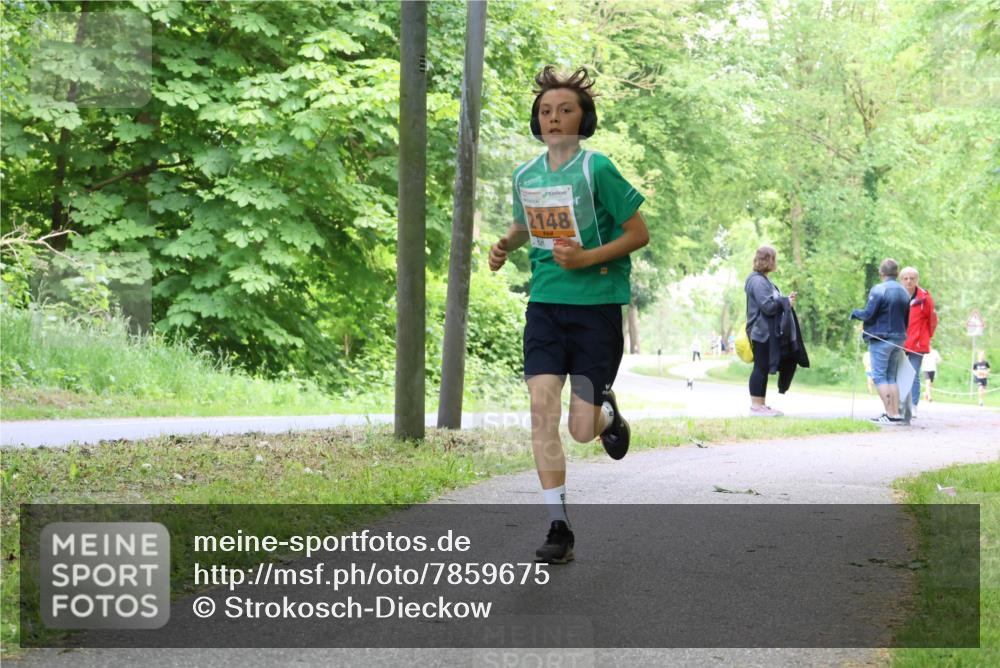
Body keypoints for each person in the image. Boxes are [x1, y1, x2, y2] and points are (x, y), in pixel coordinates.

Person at [488, 66, 649, 564]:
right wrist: (505, 245)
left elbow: (638, 232)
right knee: (542, 408)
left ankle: (606, 414)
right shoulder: (525, 175)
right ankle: (558, 526)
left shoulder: (597, 169)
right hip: (545, 305)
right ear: (537, 121)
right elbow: (524, 224)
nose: (554, 117)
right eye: (545, 111)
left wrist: (585, 258)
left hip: (596, 308)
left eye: (565, 110)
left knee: (581, 429)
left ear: (584, 119)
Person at [850, 259, 911, 424]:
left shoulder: (879, 289)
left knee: (879, 376)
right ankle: (895, 414)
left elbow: (869, 314)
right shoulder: (904, 292)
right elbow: (906, 318)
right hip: (899, 338)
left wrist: (854, 313)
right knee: (891, 376)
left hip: (881, 338)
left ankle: (890, 414)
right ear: (897, 273)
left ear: (881, 273)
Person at [744, 245, 799, 416]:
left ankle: (761, 405)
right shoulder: (757, 281)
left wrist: (786, 300)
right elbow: (767, 306)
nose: (776, 262)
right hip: (761, 332)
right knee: (760, 367)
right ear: (768, 260)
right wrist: (785, 302)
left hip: (766, 331)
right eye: (774, 259)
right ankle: (756, 407)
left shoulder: (763, 280)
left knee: (763, 367)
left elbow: (772, 301)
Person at [899, 267, 938, 415]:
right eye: (906, 278)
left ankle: (913, 405)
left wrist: (927, 336)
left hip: (918, 343)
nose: (909, 281)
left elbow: (932, 320)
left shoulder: (925, 298)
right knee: (899, 373)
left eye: (912, 278)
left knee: (913, 373)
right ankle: (900, 404)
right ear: (901, 280)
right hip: (899, 341)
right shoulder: (896, 295)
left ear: (917, 280)